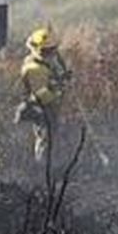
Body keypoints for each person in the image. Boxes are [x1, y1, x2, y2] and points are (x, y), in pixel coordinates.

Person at [16, 27, 72, 164]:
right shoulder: (34, 68)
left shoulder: (46, 61)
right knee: (45, 138)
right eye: (46, 50)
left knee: (52, 137)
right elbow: (43, 94)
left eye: (51, 49)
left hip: (48, 106)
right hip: (40, 108)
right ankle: (42, 167)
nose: (50, 53)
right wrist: (59, 87)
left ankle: (52, 164)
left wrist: (61, 78)